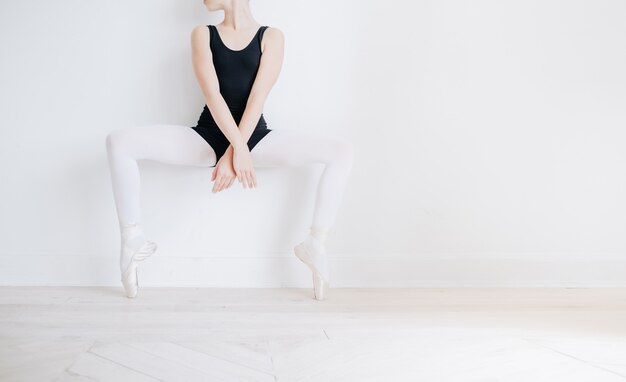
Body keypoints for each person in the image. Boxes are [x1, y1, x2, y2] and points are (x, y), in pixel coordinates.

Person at [105, 0, 354, 301]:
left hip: (255, 139)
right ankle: (132, 238)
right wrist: (235, 150)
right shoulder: (202, 34)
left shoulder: (272, 36)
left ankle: (315, 243)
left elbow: (258, 98)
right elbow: (212, 95)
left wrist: (238, 152)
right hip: (209, 137)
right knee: (118, 141)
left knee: (341, 151)